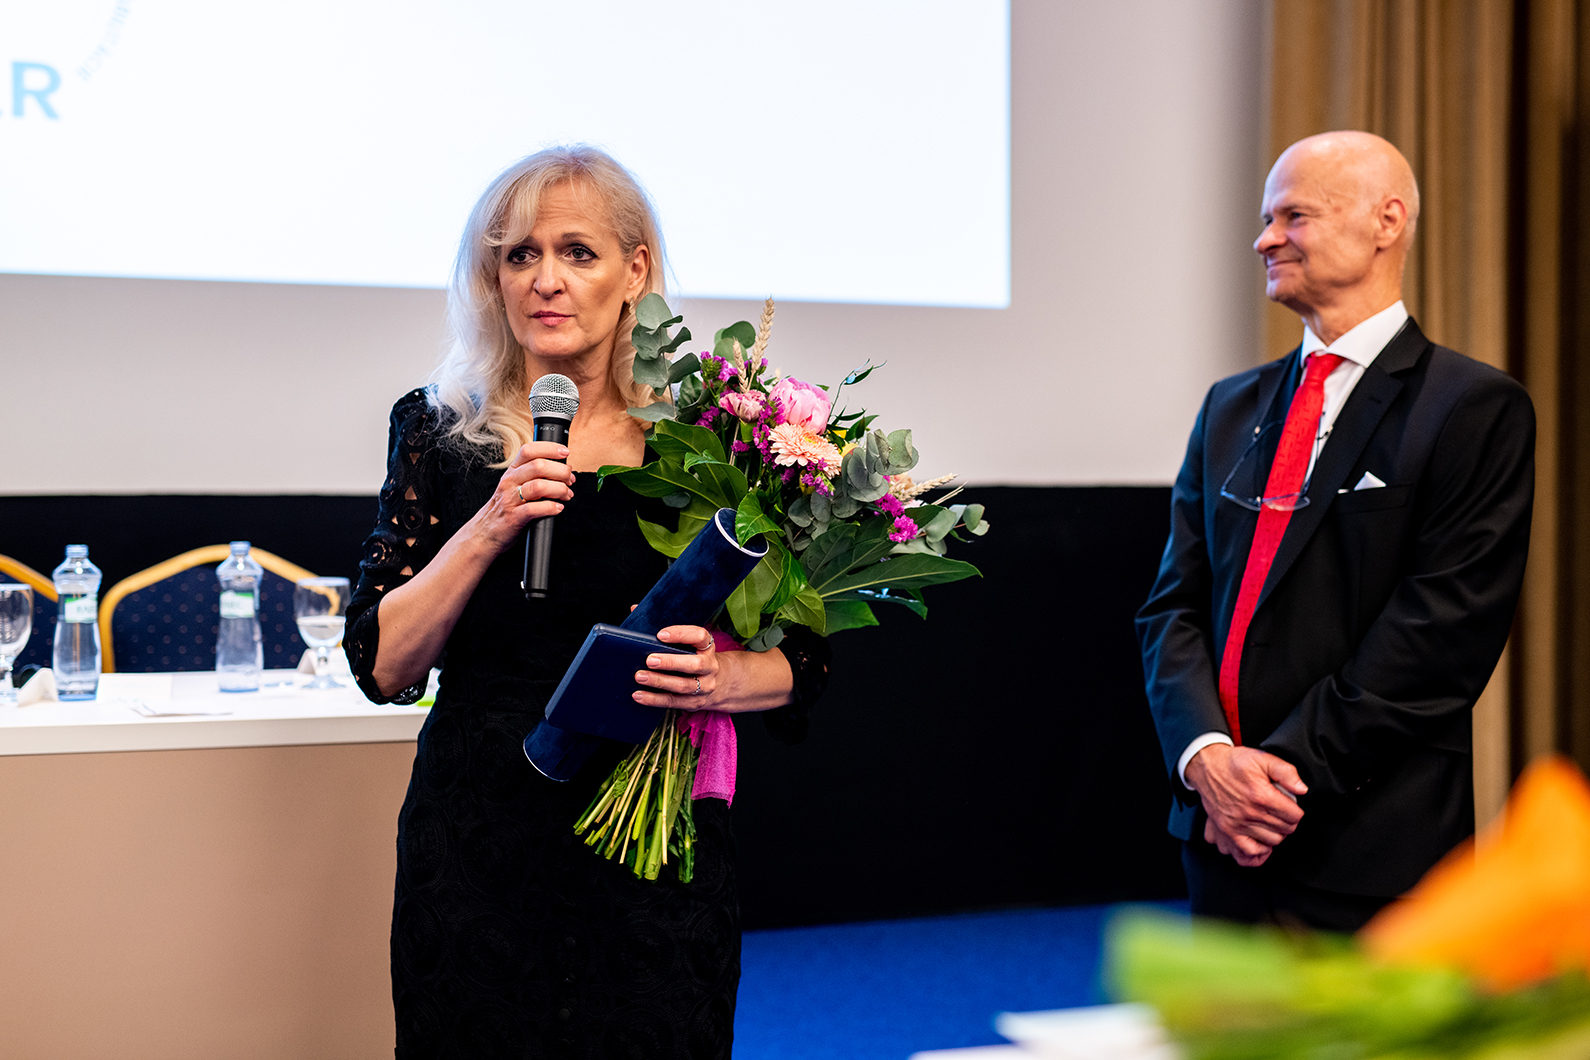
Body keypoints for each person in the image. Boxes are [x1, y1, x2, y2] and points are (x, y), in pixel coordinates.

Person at [344, 145, 830, 1058]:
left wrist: (721, 682)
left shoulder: (709, 439)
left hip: (652, 835)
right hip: (481, 834)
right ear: (492, 277)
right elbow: (380, 665)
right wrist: (491, 521)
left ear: (634, 271)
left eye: (577, 252)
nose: (546, 280)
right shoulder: (439, 428)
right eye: (520, 255)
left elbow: (808, 660)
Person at [1136, 131, 1534, 932]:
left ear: (1387, 221)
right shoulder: (1229, 407)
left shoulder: (1472, 407)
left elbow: (1438, 636)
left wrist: (1269, 783)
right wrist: (1206, 760)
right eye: (1265, 219)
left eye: (1295, 216)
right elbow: (1173, 608)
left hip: (1369, 850)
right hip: (1219, 840)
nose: (1266, 239)